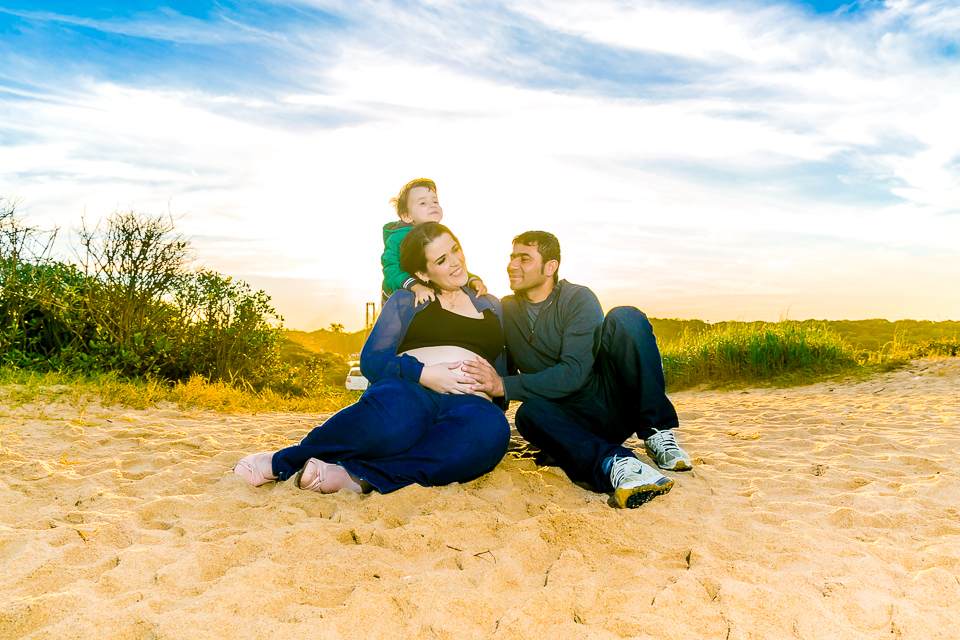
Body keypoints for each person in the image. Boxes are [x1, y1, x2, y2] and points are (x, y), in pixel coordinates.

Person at [234, 222, 510, 494]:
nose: (455, 262)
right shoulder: (405, 300)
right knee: (393, 423)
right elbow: (373, 360)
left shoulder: (490, 304)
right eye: (441, 260)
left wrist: (497, 390)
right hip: (411, 388)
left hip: (471, 403)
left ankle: (357, 478)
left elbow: (502, 373)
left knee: (489, 434)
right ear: (422, 273)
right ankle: (280, 462)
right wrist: (425, 374)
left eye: (455, 250)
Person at [462, 231, 691, 509]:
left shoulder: (578, 298)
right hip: (568, 423)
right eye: (512, 258)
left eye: (524, 258)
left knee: (625, 317)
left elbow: (573, 373)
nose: (512, 265)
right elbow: (502, 369)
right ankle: (616, 463)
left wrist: (504, 385)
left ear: (550, 267)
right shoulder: (506, 310)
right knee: (528, 414)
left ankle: (657, 433)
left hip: (612, 405)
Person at [381, 178, 487, 305]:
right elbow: (391, 270)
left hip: (430, 290)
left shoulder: (440, 235)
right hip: (400, 299)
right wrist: (416, 287)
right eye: (423, 203)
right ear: (407, 216)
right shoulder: (397, 238)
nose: (433, 205)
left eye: (435, 201)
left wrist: (472, 280)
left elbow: (452, 265)